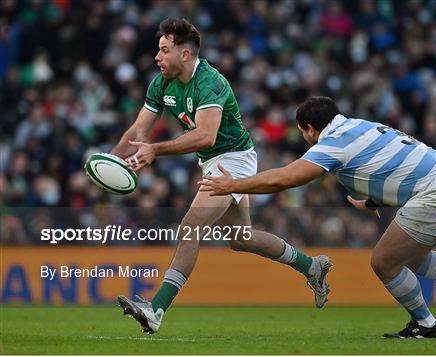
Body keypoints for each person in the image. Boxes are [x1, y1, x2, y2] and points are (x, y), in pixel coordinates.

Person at [200, 96, 436, 339]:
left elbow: (284, 178)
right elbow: (391, 161)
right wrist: (375, 199)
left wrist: (233, 185)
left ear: (310, 129)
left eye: (304, 134)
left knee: (384, 262)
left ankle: (426, 324)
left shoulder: (332, 143)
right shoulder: (359, 125)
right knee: (412, 259)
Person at [111, 19, 332, 334]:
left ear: (185, 54)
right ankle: (313, 266)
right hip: (211, 161)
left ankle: (156, 308)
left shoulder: (211, 82)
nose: (157, 57)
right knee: (242, 239)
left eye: (163, 50)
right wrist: (110, 158)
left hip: (234, 160)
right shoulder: (160, 83)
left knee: (190, 227)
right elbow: (138, 131)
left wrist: (156, 150)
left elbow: (206, 136)